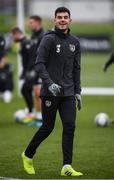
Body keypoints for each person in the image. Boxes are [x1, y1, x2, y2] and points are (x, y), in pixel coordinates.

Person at [22, 7, 83, 176]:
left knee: (70, 126)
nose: (62, 19)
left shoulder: (75, 42)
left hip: (69, 92)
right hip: (50, 93)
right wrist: (49, 83)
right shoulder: (48, 39)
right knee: (48, 127)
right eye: (59, 17)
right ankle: (27, 155)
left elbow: (76, 69)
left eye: (65, 17)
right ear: (54, 20)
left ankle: (66, 167)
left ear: (70, 20)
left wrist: (78, 91)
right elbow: (39, 64)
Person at [11, 27, 36, 120]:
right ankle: (31, 110)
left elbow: (31, 58)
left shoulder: (26, 42)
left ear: (17, 34)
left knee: (25, 90)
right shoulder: (23, 42)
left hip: (32, 71)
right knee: (27, 90)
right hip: (30, 70)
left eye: (13, 35)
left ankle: (32, 112)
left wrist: (27, 71)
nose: (13, 38)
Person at [28, 15, 44, 121]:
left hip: (40, 68)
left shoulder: (43, 36)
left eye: (31, 22)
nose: (29, 24)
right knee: (36, 92)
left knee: (39, 93)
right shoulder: (33, 35)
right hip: (34, 68)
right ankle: (38, 117)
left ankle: (42, 118)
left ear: (38, 23)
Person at [0, 33, 13, 103]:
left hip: (3, 67)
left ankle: (6, 92)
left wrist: (2, 62)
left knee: (6, 75)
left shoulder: (1, 38)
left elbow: (4, 54)